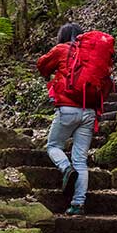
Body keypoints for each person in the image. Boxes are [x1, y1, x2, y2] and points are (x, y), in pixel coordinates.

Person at [36, 23, 95, 216]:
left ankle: (65, 168)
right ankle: (78, 204)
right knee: (81, 159)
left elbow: (42, 65)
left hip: (68, 108)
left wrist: (50, 74)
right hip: (89, 110)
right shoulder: (91, 52)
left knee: (53, 146)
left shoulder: (61, 49)